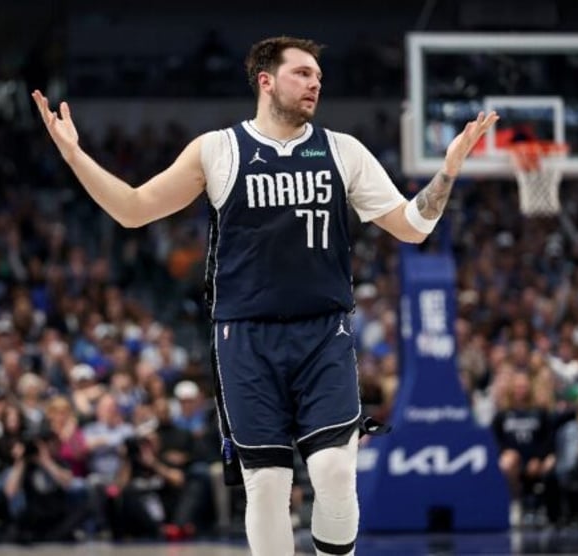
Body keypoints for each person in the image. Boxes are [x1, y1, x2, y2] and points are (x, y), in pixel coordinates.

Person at [32, 35, 497, 556]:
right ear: (266, 81)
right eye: (302, 73)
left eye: (318, 76)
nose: (314, 83)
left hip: (324, 333)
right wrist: (74, 155)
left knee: (336, 471)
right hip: (245, 337)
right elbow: (134, 209)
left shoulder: (342, 151)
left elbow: (412, 228)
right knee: (269, 486)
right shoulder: (217, 149)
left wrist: (449, 169)